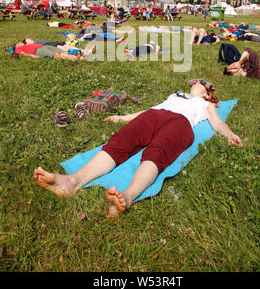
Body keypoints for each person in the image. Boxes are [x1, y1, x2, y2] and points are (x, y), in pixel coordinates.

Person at [34, 79, 242, 216]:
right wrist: (122, 117)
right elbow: (150, 109)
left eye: (202, 85)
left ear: (207, 95)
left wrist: (230, 134)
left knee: (156, 153)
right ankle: (72, 182)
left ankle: (128, 195)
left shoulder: (203, 104)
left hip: (180, 123)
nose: (198, 84)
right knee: (119, 142)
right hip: (154, 115)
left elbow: (217, 123)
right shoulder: (176, 95)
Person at [12, 42, 95, 61]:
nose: (20, 42)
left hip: (44, 46)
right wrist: (33, 56)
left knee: (63, 52)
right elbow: (24, 54)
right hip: (38, 50)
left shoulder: (26, 44)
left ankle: (80, 57)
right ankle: (75, 58)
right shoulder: (18, 49)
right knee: (56, 55)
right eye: (18, 43)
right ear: (16, 46)